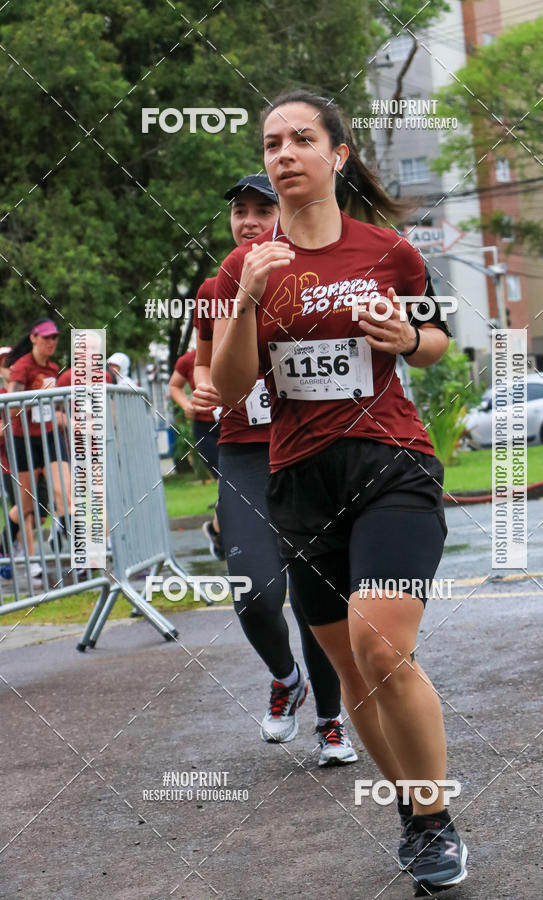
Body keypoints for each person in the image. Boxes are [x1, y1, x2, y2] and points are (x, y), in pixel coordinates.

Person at [211, 92, 467, 894]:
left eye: (301, 139)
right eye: (271, 142)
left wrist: (406, 337)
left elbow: (434, 343)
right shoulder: (243, 267)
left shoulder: (388, 252)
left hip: (390, 463)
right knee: (355, 679)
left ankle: (437, 818)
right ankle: (415, 817)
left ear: (339, 155)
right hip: (298, 484)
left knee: (380, 646)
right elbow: (229, 385)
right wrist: (249, 296)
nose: (284, 153)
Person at [192, 173, 357, 764]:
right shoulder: (215, 287)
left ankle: (332, 721)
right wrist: (202, 391)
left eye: (264, 209)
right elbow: (204, 368)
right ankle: (286, 678)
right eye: (240, 210)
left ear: (287, 214)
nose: (249, 221)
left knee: (320, 595)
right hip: (244, 454)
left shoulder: (317, 277)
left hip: (310, 448)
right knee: (255, 593)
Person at [6, 319, 71, 578]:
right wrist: (36, 396)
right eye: (46, 338)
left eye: (54, 338)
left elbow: (52, 408)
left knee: (64, 491)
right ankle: (4, 546)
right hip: (25, 441)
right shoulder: (22, 367)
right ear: (33, 338)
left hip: (49, 436)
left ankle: (82, 557)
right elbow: (10, 408)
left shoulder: (54, 367)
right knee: (25, 507)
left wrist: (59, 412)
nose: (51, 342)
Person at [168, 349, 223, 558]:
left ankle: (217, 530)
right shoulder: (190, 359)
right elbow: (174, 385)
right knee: (226, 482)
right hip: (206, 428)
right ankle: (220, 532)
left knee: (231, 484)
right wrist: (186, 405)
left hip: (235, 424)